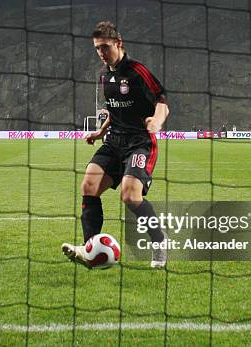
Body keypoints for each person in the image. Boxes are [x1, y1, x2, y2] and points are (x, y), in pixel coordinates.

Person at [61, 21, 170, 269]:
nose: (101, 52)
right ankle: (90, 250)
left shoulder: (137, 71)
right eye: (97, 48)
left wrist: (157, 120)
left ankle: (159, 240)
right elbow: (115, 109)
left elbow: (162, 99)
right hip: (114, 142)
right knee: (88, 185)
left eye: (105, 47)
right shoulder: (105, 75)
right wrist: (100, 132)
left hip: (140, 142)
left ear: (118, 44)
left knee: (130, 196)